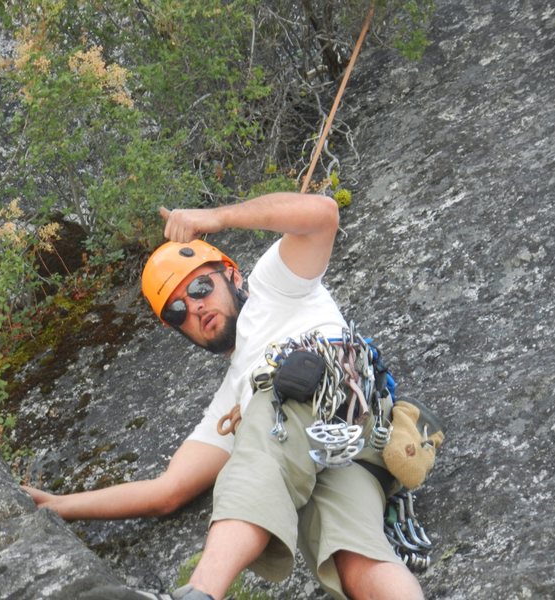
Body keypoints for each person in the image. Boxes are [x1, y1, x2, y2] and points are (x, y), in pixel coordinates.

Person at [25, 192, 428, 600]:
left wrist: (217, 217)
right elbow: (168, 491)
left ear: (232, 275)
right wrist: (59, 505)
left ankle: (199, 593)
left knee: (265, 423)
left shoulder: (274, 286)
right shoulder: (230, 401)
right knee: (356, 562)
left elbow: (323, 215)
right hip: (349, 453)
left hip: (328, 392)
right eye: (177, 311)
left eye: (201, 286)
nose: (195, 308)